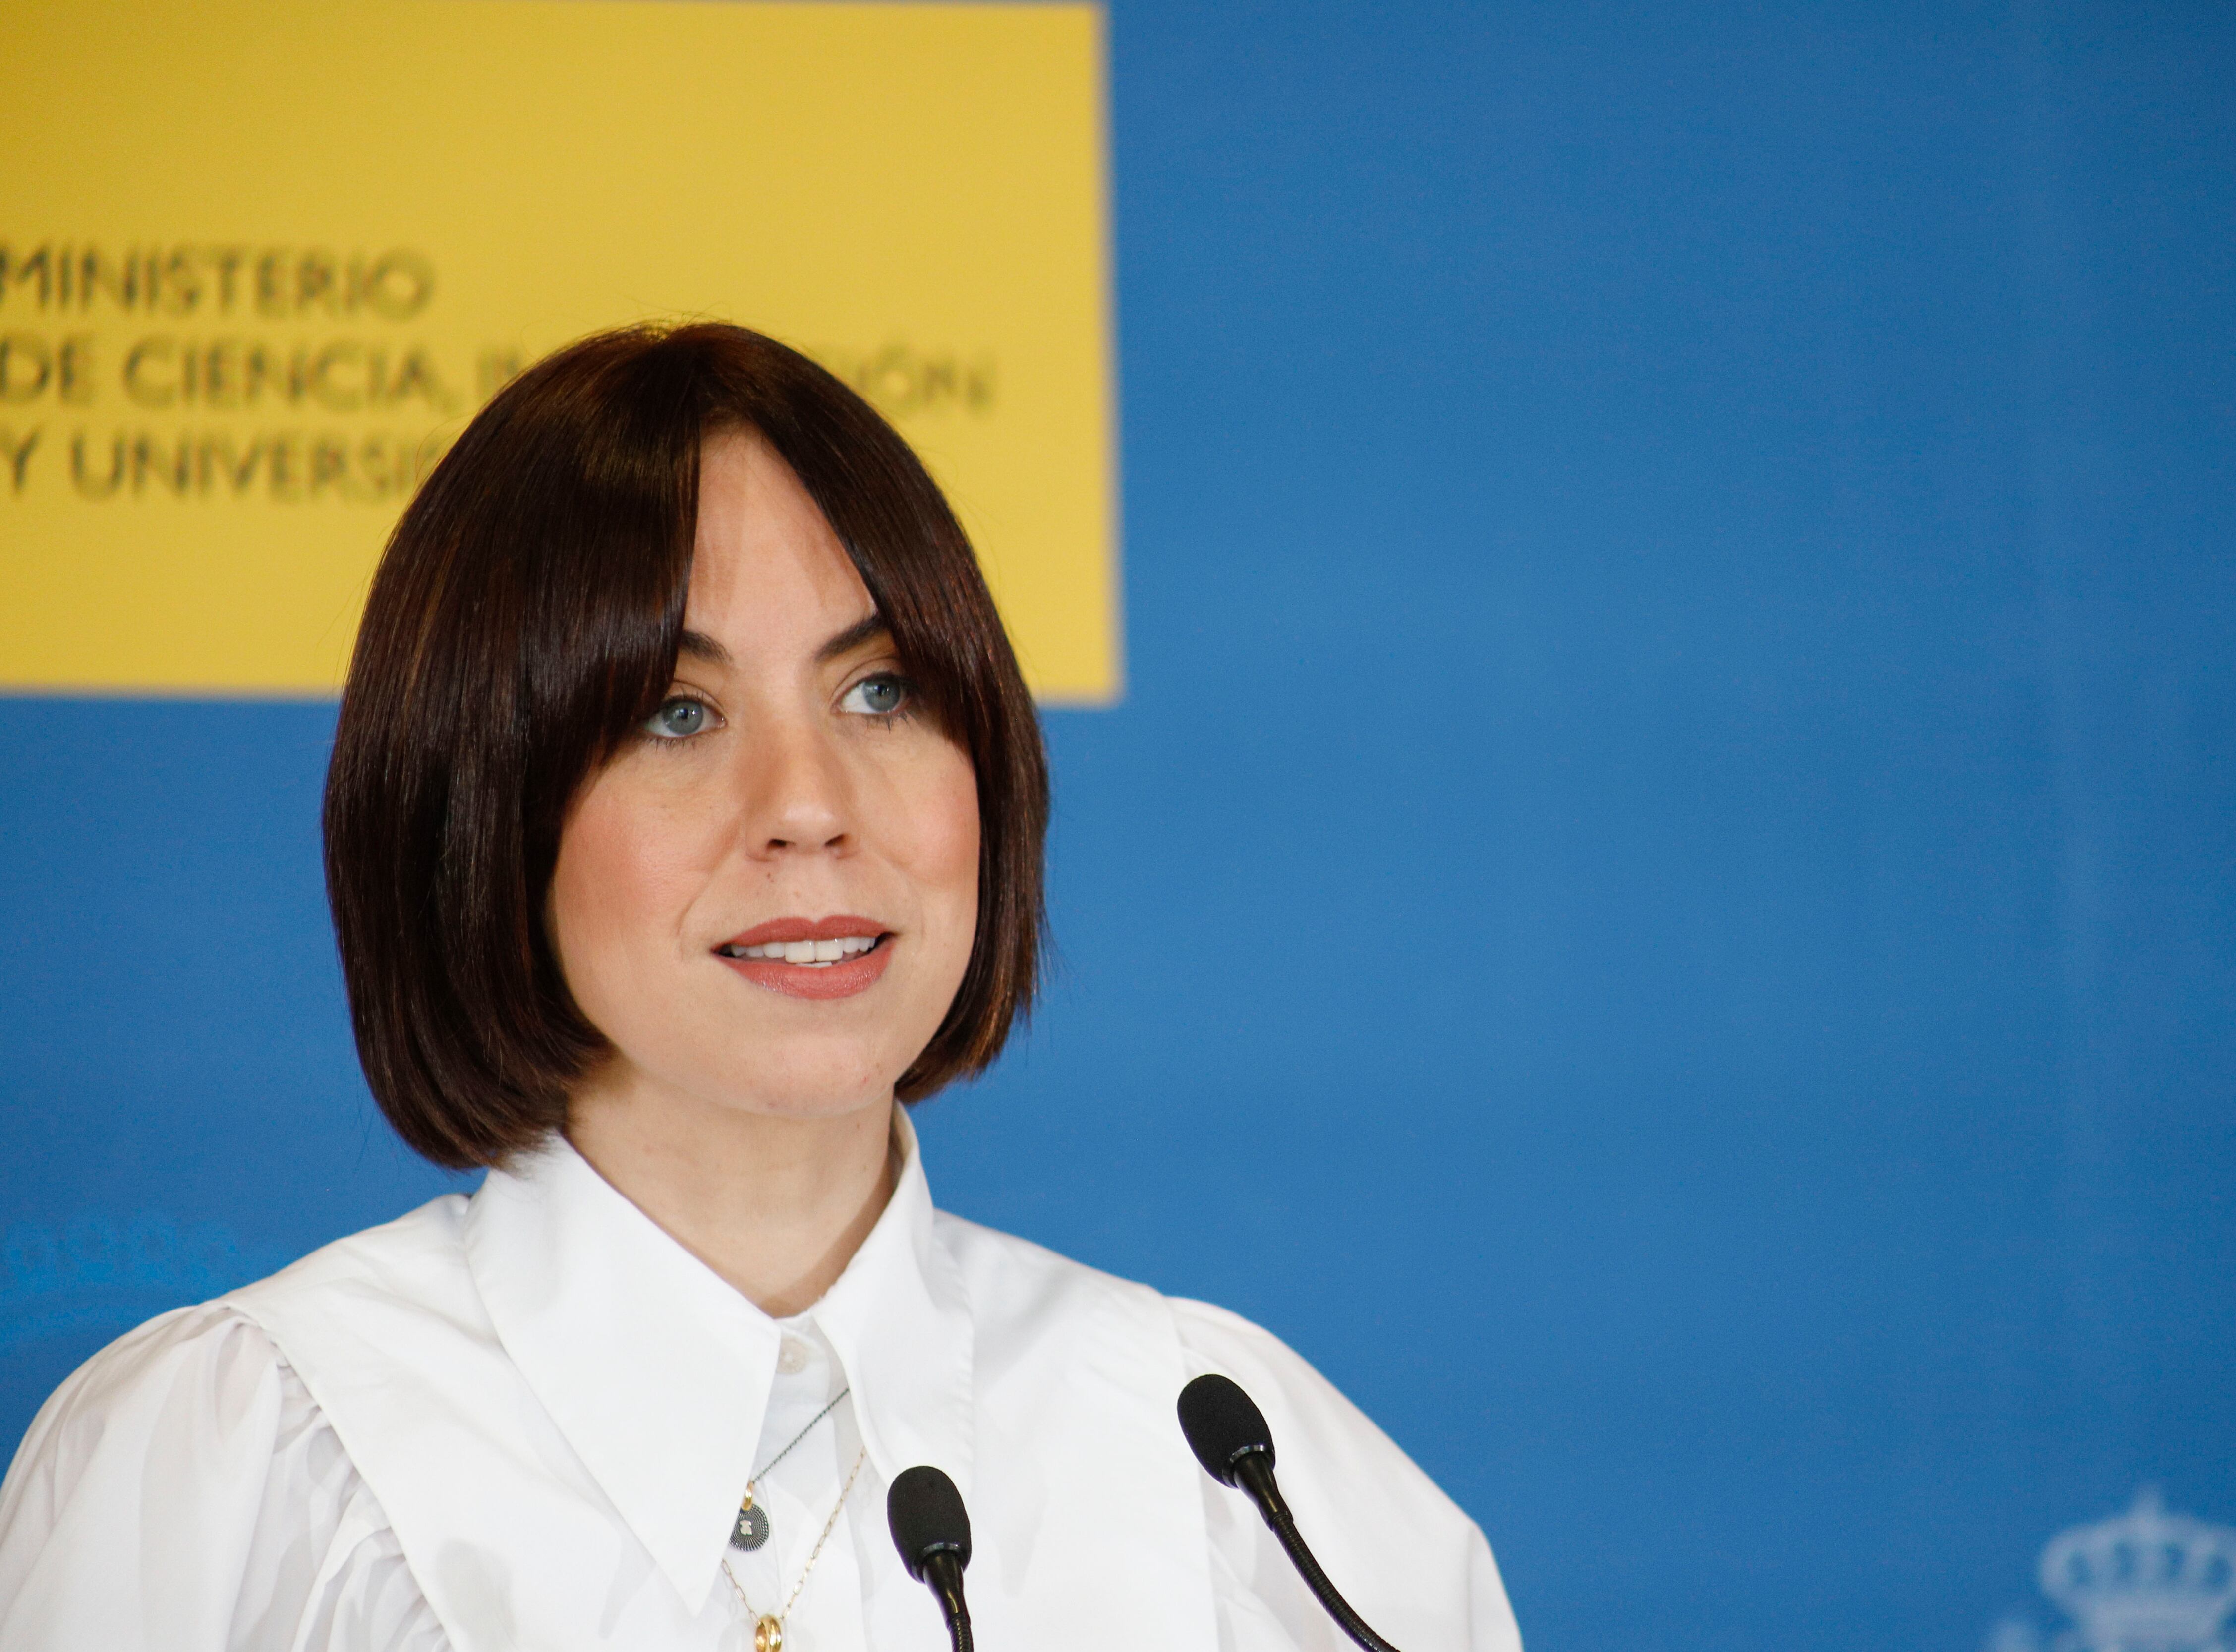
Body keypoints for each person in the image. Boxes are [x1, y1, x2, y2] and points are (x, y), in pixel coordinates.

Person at [0, 323, 1523, 1652]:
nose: (809, 803)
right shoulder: (241, 1463)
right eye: (676, 710)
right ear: (482, 808)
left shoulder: (1238, 1476)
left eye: (882, 691)